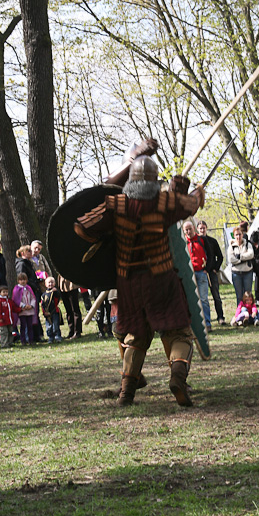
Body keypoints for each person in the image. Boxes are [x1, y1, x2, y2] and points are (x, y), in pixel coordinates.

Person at [74, 152, 205, 407]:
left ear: (131, 180)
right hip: (162, 279)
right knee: (178, 332)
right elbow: (191, 204)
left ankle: (126, 393)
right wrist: (197, 192)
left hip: (129, 283)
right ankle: (177, 377)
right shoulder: (164, 202)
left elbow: (81, 226)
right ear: (155, 181)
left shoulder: (115, 205)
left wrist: (104, 239)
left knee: (135, 337)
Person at [183, 220, 211, 330]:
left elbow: (210, 255)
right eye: (186, 230)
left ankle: (207, 323)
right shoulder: (183, 242)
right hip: (189, 275)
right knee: (190, 300)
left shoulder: (202, 239)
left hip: (201, 273)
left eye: (190, 229)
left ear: (194, 228)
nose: (188, 231)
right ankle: (193, 324)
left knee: (203, 299)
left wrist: (207, 269)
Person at [197, 220, 225, 325]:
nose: (202, 230)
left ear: (206, 228)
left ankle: (220, 317)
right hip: (200, 272)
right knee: (202, 298)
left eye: (204, 228)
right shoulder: (196, 241)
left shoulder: (212, 241)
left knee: (216, 295)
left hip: (211, 272)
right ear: (197, 229)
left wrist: (215, 268)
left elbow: (220, 257)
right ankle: (204, 319)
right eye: (200, 228)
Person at [15, 245, 43, 341]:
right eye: (29, 251)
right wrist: (31, 285)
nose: (31, 253)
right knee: (28, 315)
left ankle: (36, 335)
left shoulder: (29, 263)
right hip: (27, 293)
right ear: (23, 253)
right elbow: (22, 278)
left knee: (35, 313)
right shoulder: (21, 264)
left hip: (33, 290)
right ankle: (29, 337)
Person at [228, 226, 255, 305]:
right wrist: (243, 259)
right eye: (236, 235)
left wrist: (239, 257)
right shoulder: (231, 246)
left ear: (242, 234)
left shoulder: (248, 244)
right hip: (236, 274)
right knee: (239, 296)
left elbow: (251, 254)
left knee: (248, 295)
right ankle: (240, 311)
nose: (238, 236)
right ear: (234, 235)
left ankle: (249, 310)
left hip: (247, 272)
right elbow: (231, 259)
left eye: (240, 234)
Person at [12, 272, 38, 345]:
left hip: (29, 311)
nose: (23, 281)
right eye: (21, 280)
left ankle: (31, 340)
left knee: (30, 326)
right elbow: (16, 300)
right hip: (22, 311)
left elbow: (33, 298)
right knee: (23, 326)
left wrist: (31, 305)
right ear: (18, 281)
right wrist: (23, 306)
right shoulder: (16, 289)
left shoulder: (29, 288)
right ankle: (23, 340)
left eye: (24, 279)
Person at [58, 275, 82, 339]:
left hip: (72, 285)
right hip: (62, 285)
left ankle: (77, 331)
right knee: (68, 310)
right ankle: (71, 330)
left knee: (75, 309)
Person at [41, 276, 63, 343]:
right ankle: (50, 337)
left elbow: (58, 297)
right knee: (49, 327)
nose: (50, 284)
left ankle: (57, 336)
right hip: (48, 313)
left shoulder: (55, 292)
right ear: (46, 284)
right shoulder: (44, 295)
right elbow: (42, 304)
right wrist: (44, 312)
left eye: (52, 282)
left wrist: (55, 291)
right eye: (49, 282)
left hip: (54, 311)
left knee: (56, 325)